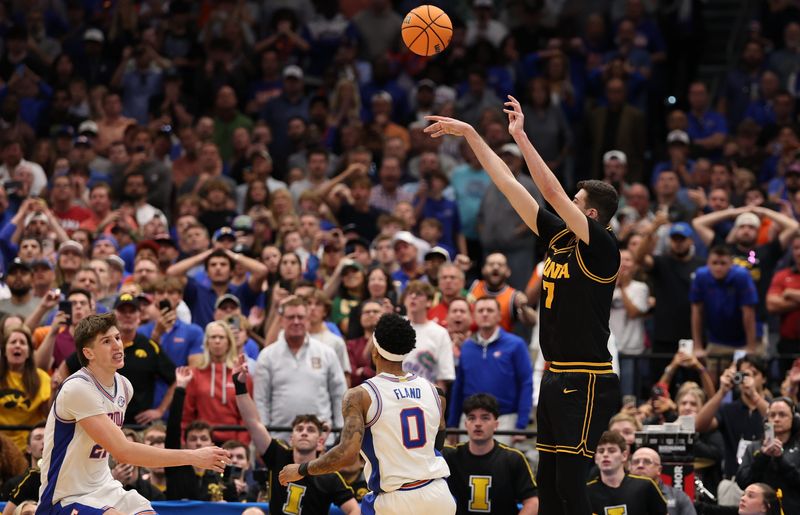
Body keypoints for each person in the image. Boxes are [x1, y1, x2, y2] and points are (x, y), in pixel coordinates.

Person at [426, 96, 621, 514]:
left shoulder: (603, 246)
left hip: (586, 380)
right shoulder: (559, 239)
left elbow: (548, 190)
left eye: (574, 198)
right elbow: (511, 186)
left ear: (588, 211)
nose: (564, 199)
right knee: (549, 485)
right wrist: (473, 135)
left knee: (571, 484)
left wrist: (521, 137)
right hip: (554, 375)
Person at [35, 313, 231, 514]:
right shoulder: (77, 388)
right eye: (106, 341)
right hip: (65, 496)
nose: (117, 345)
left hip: (104, 487)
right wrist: (193, 456)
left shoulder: (124, 386)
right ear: (89, 353)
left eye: (117, 338)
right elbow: (123, 451)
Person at [277, 312, 455, 514]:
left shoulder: (361, 396)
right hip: (439, 495)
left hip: (396, 500)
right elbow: (437, 443)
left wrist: (302, 469)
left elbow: (347, 454)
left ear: (374, 349)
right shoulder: (435, 392)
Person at [232, 355, 360, 514]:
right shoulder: (277, 455)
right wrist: (239, 385)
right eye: (299, 429)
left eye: (311, 430)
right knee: (252, 512)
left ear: (320, 441)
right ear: (291, 439)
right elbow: (253, 423)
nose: (304, 433)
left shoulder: (328, 475)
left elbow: (354, 509)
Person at [448, 297, 533, 445]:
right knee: (466, 467)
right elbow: (459, 387)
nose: (485, 314)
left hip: (505, 420)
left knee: (500, 468)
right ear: (474, 316)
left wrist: (521, 424)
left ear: (499, 315)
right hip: (469, 419)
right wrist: (453, 424)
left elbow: (526, 383)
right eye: (481, 310)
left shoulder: (516, 345)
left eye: (490, 310)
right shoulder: (467, 347)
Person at [443, 393, 539, 514]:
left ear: (496, 424)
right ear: (466, 424)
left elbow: (532, 501)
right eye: (472, 418)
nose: (477, 423)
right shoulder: (450, 456)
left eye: (485, 418)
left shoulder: (513, 458)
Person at [735, 397, 800, 514]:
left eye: (782, 414)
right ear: (766, 420)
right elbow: (743, 481)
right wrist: (763, 456)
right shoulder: (753, 447)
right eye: (772, 415)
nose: (776, 419)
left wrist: (781, 459)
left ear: (794, 419)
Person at [586, 430, 668, 514]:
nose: (605, 455)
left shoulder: (645, 486)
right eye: (601, 451)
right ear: (596, 458)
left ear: (624, 456)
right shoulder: (586, 492)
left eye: (611, 450)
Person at [0, 325, 50, 452]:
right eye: (13, 342)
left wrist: (55, 390)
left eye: (22, 343)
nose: (17, 346)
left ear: (29, 352)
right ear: (4, 351)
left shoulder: (42, 378)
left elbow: (49, 414)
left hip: (29, 447)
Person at [631, 446, 696, 515]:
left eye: (647, 462)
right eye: (635, 462)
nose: (640, 465)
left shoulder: (679, 497)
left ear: (659, 470)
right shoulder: (621, 493)